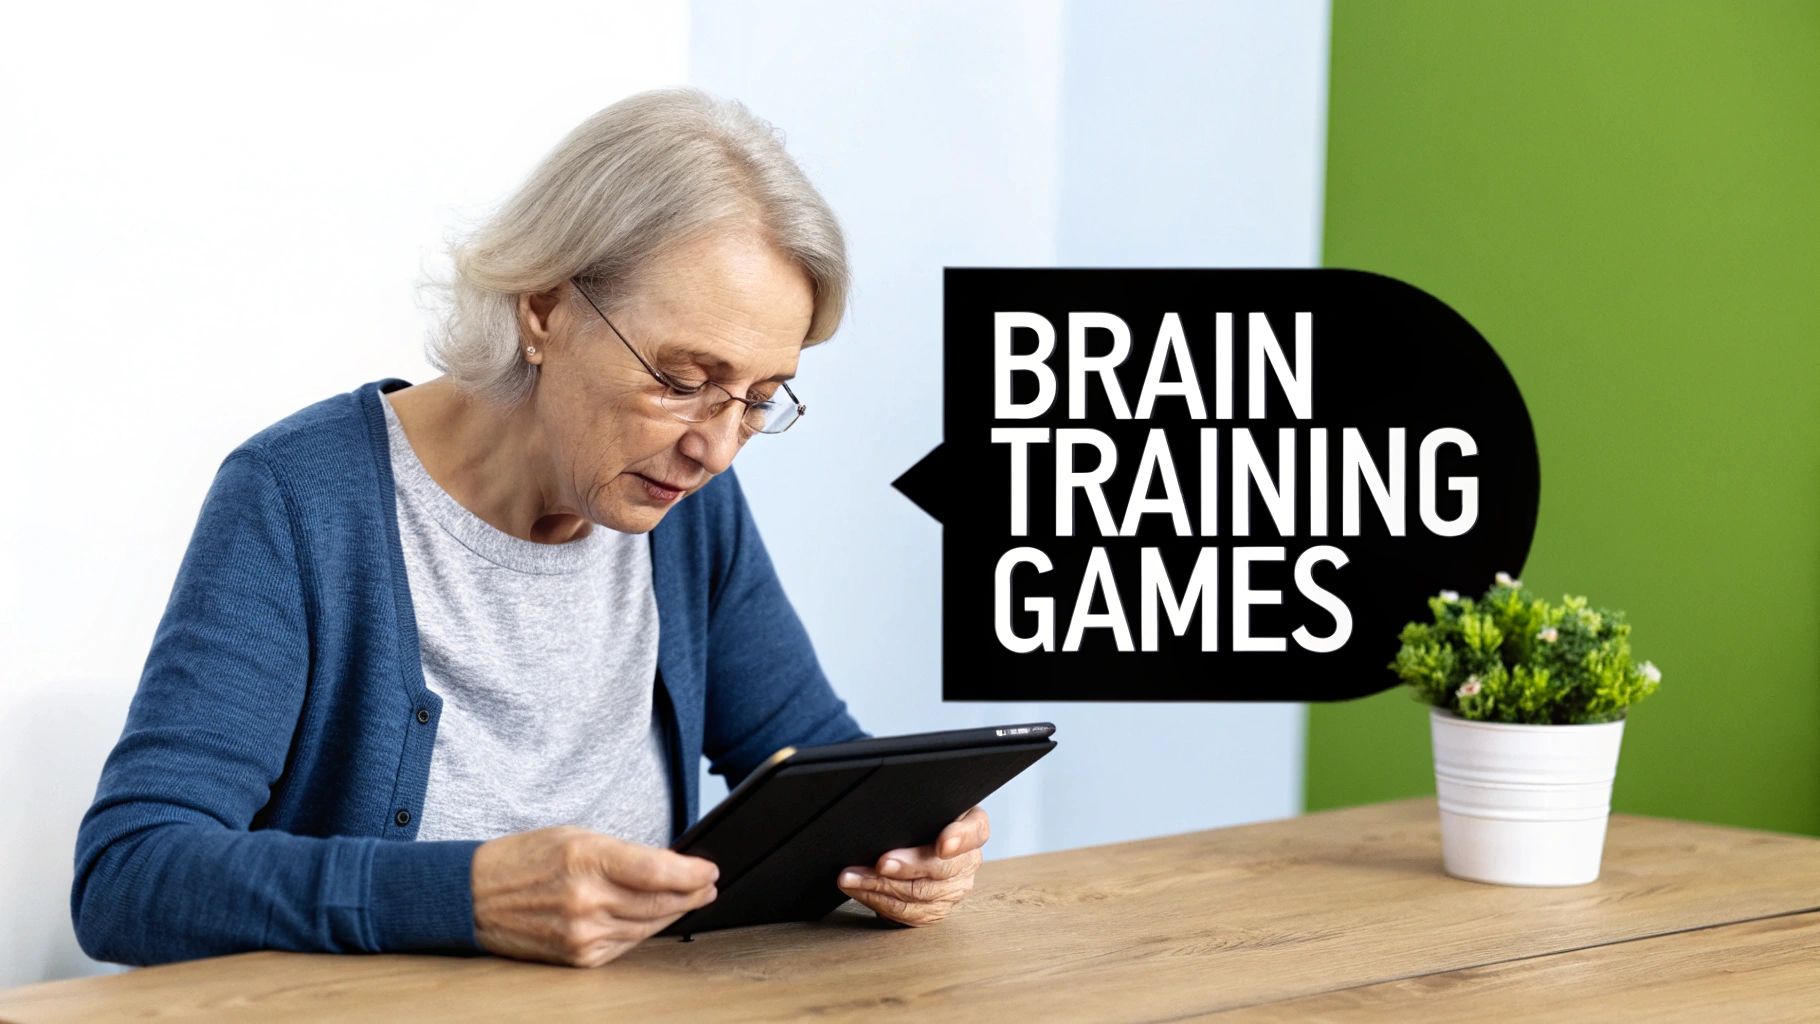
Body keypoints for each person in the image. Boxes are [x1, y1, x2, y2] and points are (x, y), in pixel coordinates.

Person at [71, 87, 989, 970]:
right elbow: (132, 875)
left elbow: (808, 757)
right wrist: (466, 895)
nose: (714, 447)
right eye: (680, 379)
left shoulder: (686, 508)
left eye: (756, 400)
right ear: (544, 307)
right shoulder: (301, 498)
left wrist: (904, 846)